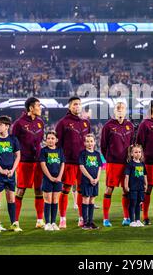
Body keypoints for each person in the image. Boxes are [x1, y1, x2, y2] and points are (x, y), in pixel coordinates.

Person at [55, 96, 91, 228]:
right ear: (70, 107)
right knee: (65, 189)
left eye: (79, 104)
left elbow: (89, 143)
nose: (77, 106)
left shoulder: (86, 122)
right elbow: (57, 145)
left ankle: (81, 218)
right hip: (68, 162)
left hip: (83, 163)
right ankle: (63, 218)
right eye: (75, 104)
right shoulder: (63, 123)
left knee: (82, 191)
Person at [12, 97, 45, 228]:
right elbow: (14, 143)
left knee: (39, 191)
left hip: (37, 162)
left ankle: (39, 220)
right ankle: (15, 221)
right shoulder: (19, 123)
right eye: (38, 106)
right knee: (20, 191)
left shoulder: (40, 122)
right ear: (31, 108)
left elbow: (40, 140)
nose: (40, 108)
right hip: (24, 162)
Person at [101, 102, 134, 227]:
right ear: (114, 111)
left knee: (126, 190)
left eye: (122, 109)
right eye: (117, 109)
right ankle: (105, 219)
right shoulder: (108, 126)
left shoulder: (130, 125)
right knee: (109, 189)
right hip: (113, 163)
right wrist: (110, 158)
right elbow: (103, 146)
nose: (120, 111)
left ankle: (126, 217)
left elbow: (132, 144)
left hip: (126, 164)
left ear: (126, 111)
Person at [0, 115, 22, 233]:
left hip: (11, 174)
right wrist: (1, 170)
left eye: (0, 124)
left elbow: (18, 155)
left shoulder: (13, 139)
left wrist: (13, 170)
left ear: (7, 126)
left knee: (11, 198)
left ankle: (14, 224)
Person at [39, 131, 65, 231]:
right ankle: (47, 223)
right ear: (46, 140)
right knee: (48, 200)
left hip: (58, 179)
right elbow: (43, 164)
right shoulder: (44, 151)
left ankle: (54, 222)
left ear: (56, 140)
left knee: (55, 200)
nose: (50, 140)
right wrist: (50, 177)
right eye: (48, 138)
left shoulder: (60, 150)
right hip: (47, 179)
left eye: (52, 138)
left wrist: (59, 177)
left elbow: (62, 163)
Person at [78, 134, 102, 230]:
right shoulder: (83, 154)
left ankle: (91, 221)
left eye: (91, 141)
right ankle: (85, 222)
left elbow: (100, 167)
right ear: (84, 143)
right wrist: (90, 178)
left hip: (95, 181)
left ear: (94, 142)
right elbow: (81, 167)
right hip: (86, 181)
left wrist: (97, 178)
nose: (89, 143)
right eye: (87, 141)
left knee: (92, 200)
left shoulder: (97, 154)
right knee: (86, 199)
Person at [124, 144, 147, 227]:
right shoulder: (130, 164)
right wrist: (126, 186)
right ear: (132, 154)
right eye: (136, 152)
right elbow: (126, 176)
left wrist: (146, 184)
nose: (138, 154)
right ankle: (132, 220)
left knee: (138, 203)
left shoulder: (142, 164)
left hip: (140, 188)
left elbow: (144, 175)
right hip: (133, 188)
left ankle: (138, 220)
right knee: (133, 203)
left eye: (139, 152)